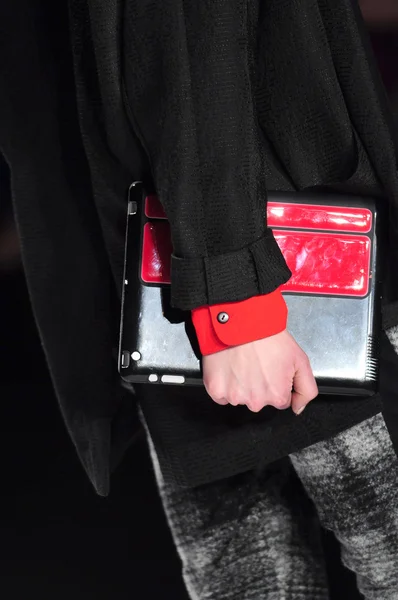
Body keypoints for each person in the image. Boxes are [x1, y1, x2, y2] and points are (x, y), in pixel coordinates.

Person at [1, 0, 398, 597]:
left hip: (224, 257)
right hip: (220, 259)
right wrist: (232, 300)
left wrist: (229, 298)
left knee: (270, 571)